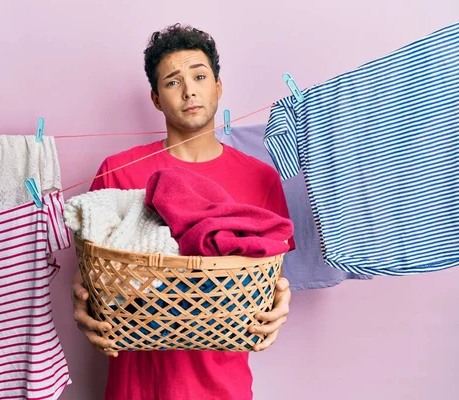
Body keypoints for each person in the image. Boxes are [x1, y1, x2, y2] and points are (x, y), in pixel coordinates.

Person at [71, 23, 295, 400]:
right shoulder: (118, 170)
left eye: (200, 76)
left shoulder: (261, 179)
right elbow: (91, 275)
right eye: (173, 82)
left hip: (223, 387)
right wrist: (81, 307)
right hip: (135, 388)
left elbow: (270, 276)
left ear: (218, 86)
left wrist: (282, 301)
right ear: (156, 99)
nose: (189, 89)